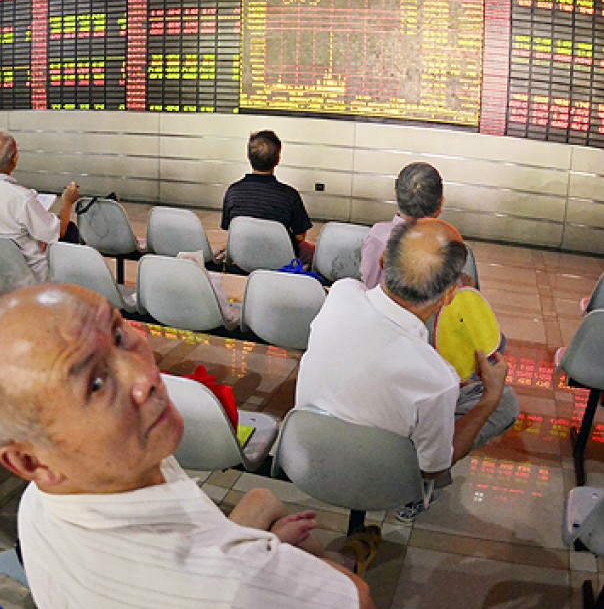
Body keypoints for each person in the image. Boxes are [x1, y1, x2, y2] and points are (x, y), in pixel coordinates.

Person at [0, 284, 373, 609]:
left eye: (117, 334)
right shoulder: (230, 586)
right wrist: (266, 564)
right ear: (29, 459)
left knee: (261, 499)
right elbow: (358, 598)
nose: (145, 376)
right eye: (95, 383)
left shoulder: (41, 502)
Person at [295, 219, 520, 522]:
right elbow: (434, 468)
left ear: (383, 260)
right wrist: (489, 399)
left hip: (305, 456)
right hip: (381, 483)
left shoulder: (341, 294)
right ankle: (415, 500)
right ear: (451, 294)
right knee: (505, 402)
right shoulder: (436, 379)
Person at [0, 130, 80, 281]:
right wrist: (67, 203)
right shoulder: (21, 199)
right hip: (29, 277)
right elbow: (58, 233)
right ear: (15, 159)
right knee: (70, 231)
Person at [221, 130, 314, 264]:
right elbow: (300, 237)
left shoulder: (233, 192)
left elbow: (229, 228)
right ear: (277, 159)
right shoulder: (289, 195)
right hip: (280, 261)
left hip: (243, 258)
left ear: (249, 157)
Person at [360, 162, 443, 289]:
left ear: (396, 194)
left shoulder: (377, 236)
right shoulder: (446, 248)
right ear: (440, 204)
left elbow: (368, 284)